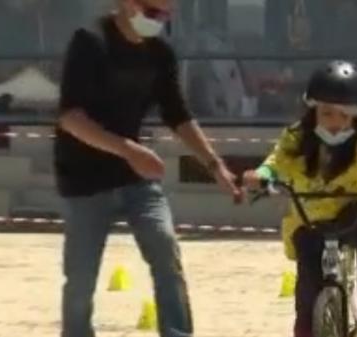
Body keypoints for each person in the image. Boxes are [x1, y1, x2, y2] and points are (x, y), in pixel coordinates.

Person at [53, 1, 242, 336]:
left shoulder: (160, 54)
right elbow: (71, 118)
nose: (159, 21)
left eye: (166, 15)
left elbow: (178, 115)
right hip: (84, 179)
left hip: (136, 177)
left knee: (165, 248)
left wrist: (216, 166)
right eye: (153, 12)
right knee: (80, 278)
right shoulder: (90, 41)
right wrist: (127, 149)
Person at [242, 60, 357, 337]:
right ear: (313, 110)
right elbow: (275, 163)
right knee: (307, 282)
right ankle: (304, 328)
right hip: (309, 222)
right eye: (327, 114)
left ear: (355, 117)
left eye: (344, 116)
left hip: (349, 218)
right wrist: (261, 175)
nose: (335, 123)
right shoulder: (295, 139)